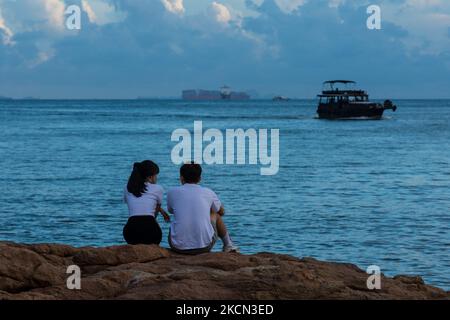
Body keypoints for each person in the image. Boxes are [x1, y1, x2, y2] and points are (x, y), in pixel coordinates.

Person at [167, 162, 239, 254]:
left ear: (181, 178)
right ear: (200, 178)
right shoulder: (208, 192)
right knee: (215, 214)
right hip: (204, 247)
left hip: (177, 247)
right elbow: (221, 212)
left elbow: (171, 211)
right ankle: (228, 245)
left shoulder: (172, 192)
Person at [123, 160, 170, 245]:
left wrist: (161, 210)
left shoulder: (128, 188)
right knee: (151, 223)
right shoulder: (158, 188)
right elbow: (155, 211)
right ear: (150, 177)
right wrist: (160, 211)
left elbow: (137, 204)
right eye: (156, 175)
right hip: (151, 234)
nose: (157, 178)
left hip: (130, 233)